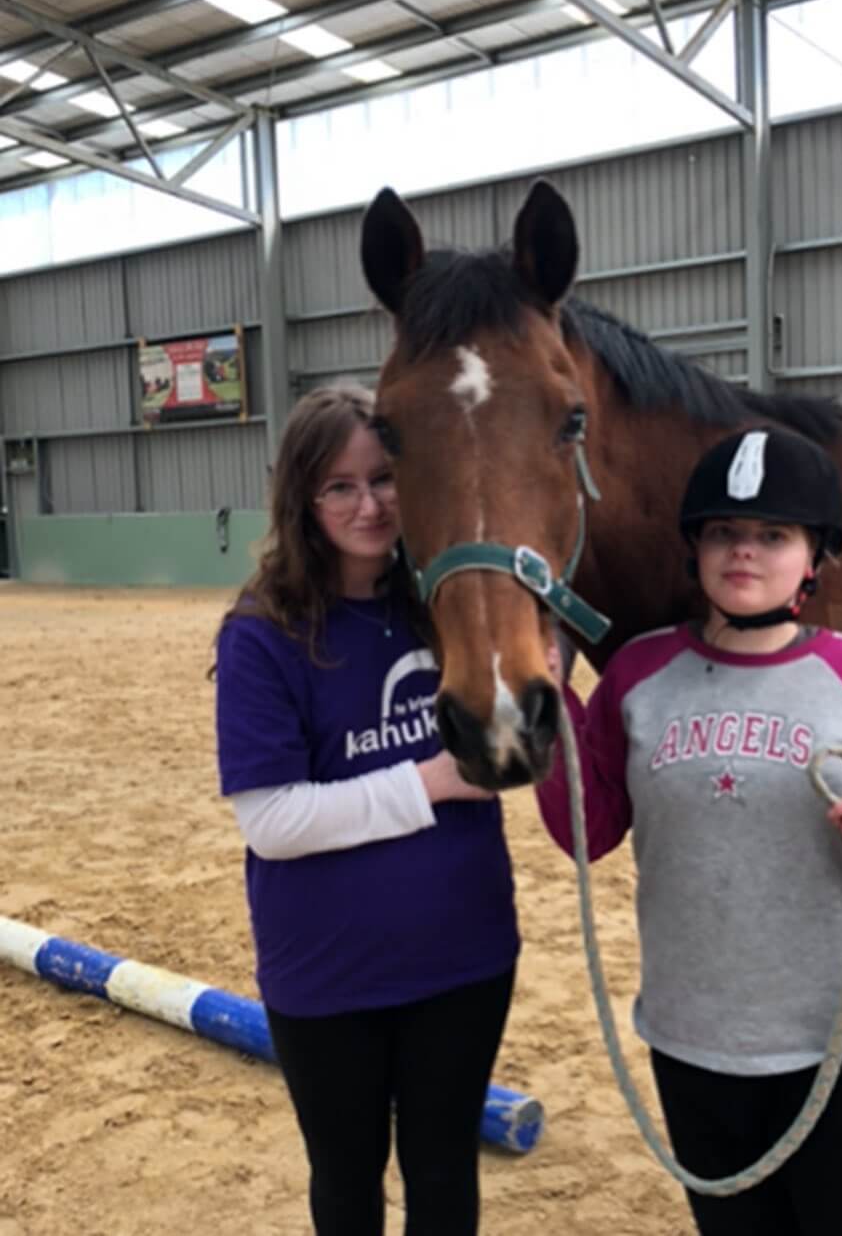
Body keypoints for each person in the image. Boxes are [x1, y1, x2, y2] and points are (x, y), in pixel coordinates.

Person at [536, 426, 842, 1236]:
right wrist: (550, 701)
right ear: (695, 549)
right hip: (694, 1038)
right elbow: (587, 830)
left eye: (773, 535)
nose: (744, 550)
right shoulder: (637, 674)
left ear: (813, 558)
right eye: (724, 532)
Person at [214, 381, 519, 1236]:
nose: (370, 504)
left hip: (464, 956)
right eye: (340, 486)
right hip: (329, 972)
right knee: (348, 1180)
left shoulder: (450, 605)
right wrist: (431, 781)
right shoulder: (261, 634)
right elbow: (273, 821)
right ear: (303, 500)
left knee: (444, 1170)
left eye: (384, 478)